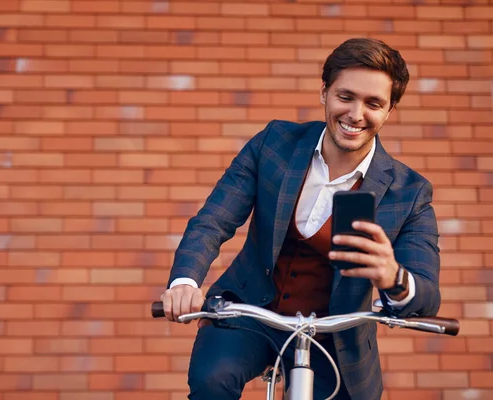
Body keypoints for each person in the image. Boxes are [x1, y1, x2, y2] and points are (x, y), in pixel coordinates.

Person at [160, 38, 441, 400]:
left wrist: (393, 277)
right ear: (324, 92)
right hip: (251, 313)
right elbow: (213, 220)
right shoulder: (275, 143)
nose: (356, 114)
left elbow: (426, 293)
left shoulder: (410, 192)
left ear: (390, 110)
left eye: (373, 104)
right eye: (346, 97)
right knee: (213, 381)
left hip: (337, 340)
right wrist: (185, 281)